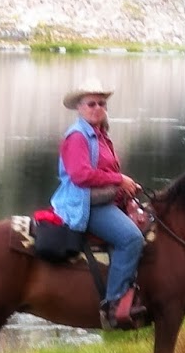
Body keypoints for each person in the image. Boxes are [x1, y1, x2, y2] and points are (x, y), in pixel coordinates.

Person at [50, 76, 144, 327]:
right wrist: (119, 179)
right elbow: (80, 176)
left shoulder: (100, 135)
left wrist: (125, 188)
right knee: (132, 238)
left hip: (102, 200)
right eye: (91, 104)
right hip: (84, 204)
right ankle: (113, 305)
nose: (97, 108)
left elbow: (105, 175)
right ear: (79, 108)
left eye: (102, 104)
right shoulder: (78, 137)